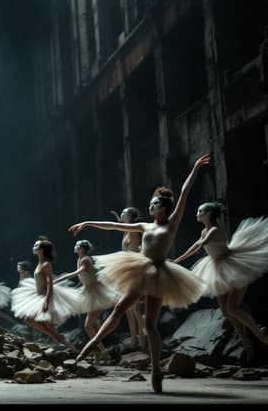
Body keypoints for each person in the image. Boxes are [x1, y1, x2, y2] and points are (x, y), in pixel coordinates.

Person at [68, 154, 210, 393]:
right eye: (151, 203)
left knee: (149, 323)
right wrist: (88, 223)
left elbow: (184, 191)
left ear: (164, 207)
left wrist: (195, 168)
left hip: (159, 273)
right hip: (141, 269)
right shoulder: (145, 226)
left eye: (155, 203)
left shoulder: (172, 223)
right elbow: (114, 226)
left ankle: (156, 370)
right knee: (119, 309)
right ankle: (92, 342)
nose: (151, 206)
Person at [173, 202, 268, 359]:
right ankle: (247, 343)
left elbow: (200, 245)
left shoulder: (215, 230)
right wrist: (177, 260)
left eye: (200, 210)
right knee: (226, 311)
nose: (197, 213)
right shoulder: (204, 231)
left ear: (209, 214)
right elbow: (195, 245)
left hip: (233, 266)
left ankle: (258, 331)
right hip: (217, 268)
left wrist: (177, 261)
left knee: (232, 308)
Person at [10, 236, 80, 350]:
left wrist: (46, 302)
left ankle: (64, 342)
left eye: (36, 246)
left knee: (36, 321)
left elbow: (50, 284)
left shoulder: (46, 264)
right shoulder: (39, 263)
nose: (34, 247)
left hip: (44, 297)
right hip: (38, 295)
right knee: (34, 321)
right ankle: (60, 340)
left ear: (42, 250)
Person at [54, 240, 119, 358]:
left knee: (88, 325)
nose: (75, 246)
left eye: (77, 245)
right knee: (94, 323)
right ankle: (101, 350)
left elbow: (77, 273)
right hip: (89, 291)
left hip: (96, 292)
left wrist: (58, 280)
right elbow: (83, 278)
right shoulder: (80, 259)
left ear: (82, 248)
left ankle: (104, 352)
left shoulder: (85, 259)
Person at [110, 207, 146, 350]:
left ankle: (143, 344)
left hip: (132, 269)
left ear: (130, 216)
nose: (122, 214)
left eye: (124, 213)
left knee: (134, 308)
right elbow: (120, 226)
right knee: (128, 310)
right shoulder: (127, 229)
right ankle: (133, 343)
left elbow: (135, 251)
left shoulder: (133, 231)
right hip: (125, 269)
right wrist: (119, 219)